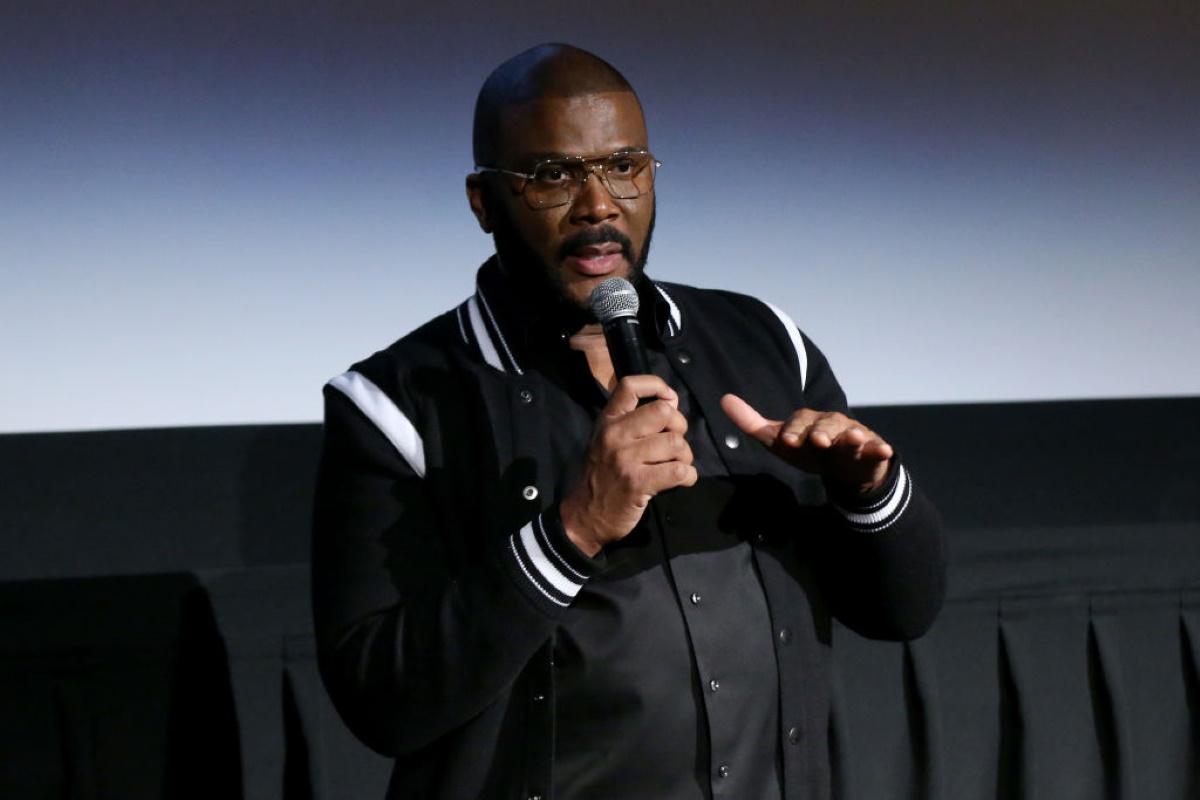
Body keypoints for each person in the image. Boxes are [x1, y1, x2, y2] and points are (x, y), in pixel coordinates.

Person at [312, 43, 946, 800]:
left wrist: (869, 495)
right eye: (552, 176)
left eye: (624, 166)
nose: (599, 205)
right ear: (483, 201)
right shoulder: (397, 401)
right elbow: (382, 704)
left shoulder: (763, 340)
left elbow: (901, 613)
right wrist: (574, 528)